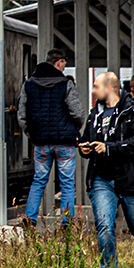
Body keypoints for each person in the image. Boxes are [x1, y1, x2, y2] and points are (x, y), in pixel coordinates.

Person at [79, 71, 134, 268]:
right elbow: (87, 138)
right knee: (104, 227)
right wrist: (85, 149)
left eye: (96, 87)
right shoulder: (95, 114)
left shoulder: (133, 112)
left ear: (109, 88)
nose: (93, 91)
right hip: (102, 178)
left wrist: (109, 148)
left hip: (130, 178)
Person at [18, 49, 85, 227]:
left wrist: (32, 134)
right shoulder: (65, 84)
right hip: (64, 142)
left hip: (41, 143)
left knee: (39, 180)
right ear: (58, 62)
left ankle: (30, 217)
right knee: (67, 183)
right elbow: (77, 112)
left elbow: (22, 116)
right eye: (64, 63)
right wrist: (77, 126)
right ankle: (66, 221)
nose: (64, 66)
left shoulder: (29, 84)